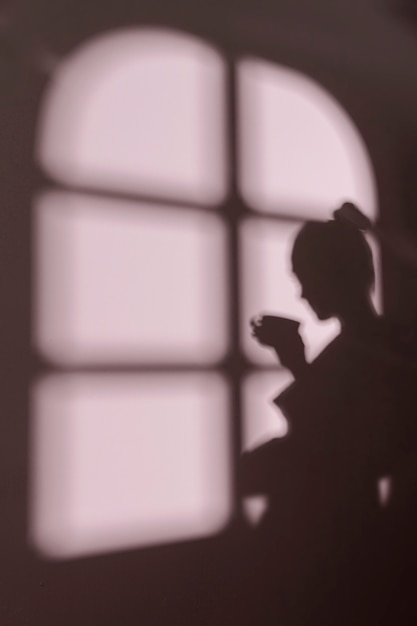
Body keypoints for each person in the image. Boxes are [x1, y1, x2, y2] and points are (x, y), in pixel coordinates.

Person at [242, 207, 417, 625]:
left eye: (304, 276)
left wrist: (296, 363)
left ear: (336, 274)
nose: (301, 293)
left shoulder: (382, 346)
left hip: (349, 543)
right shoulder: (365, 343)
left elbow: (348, 444)